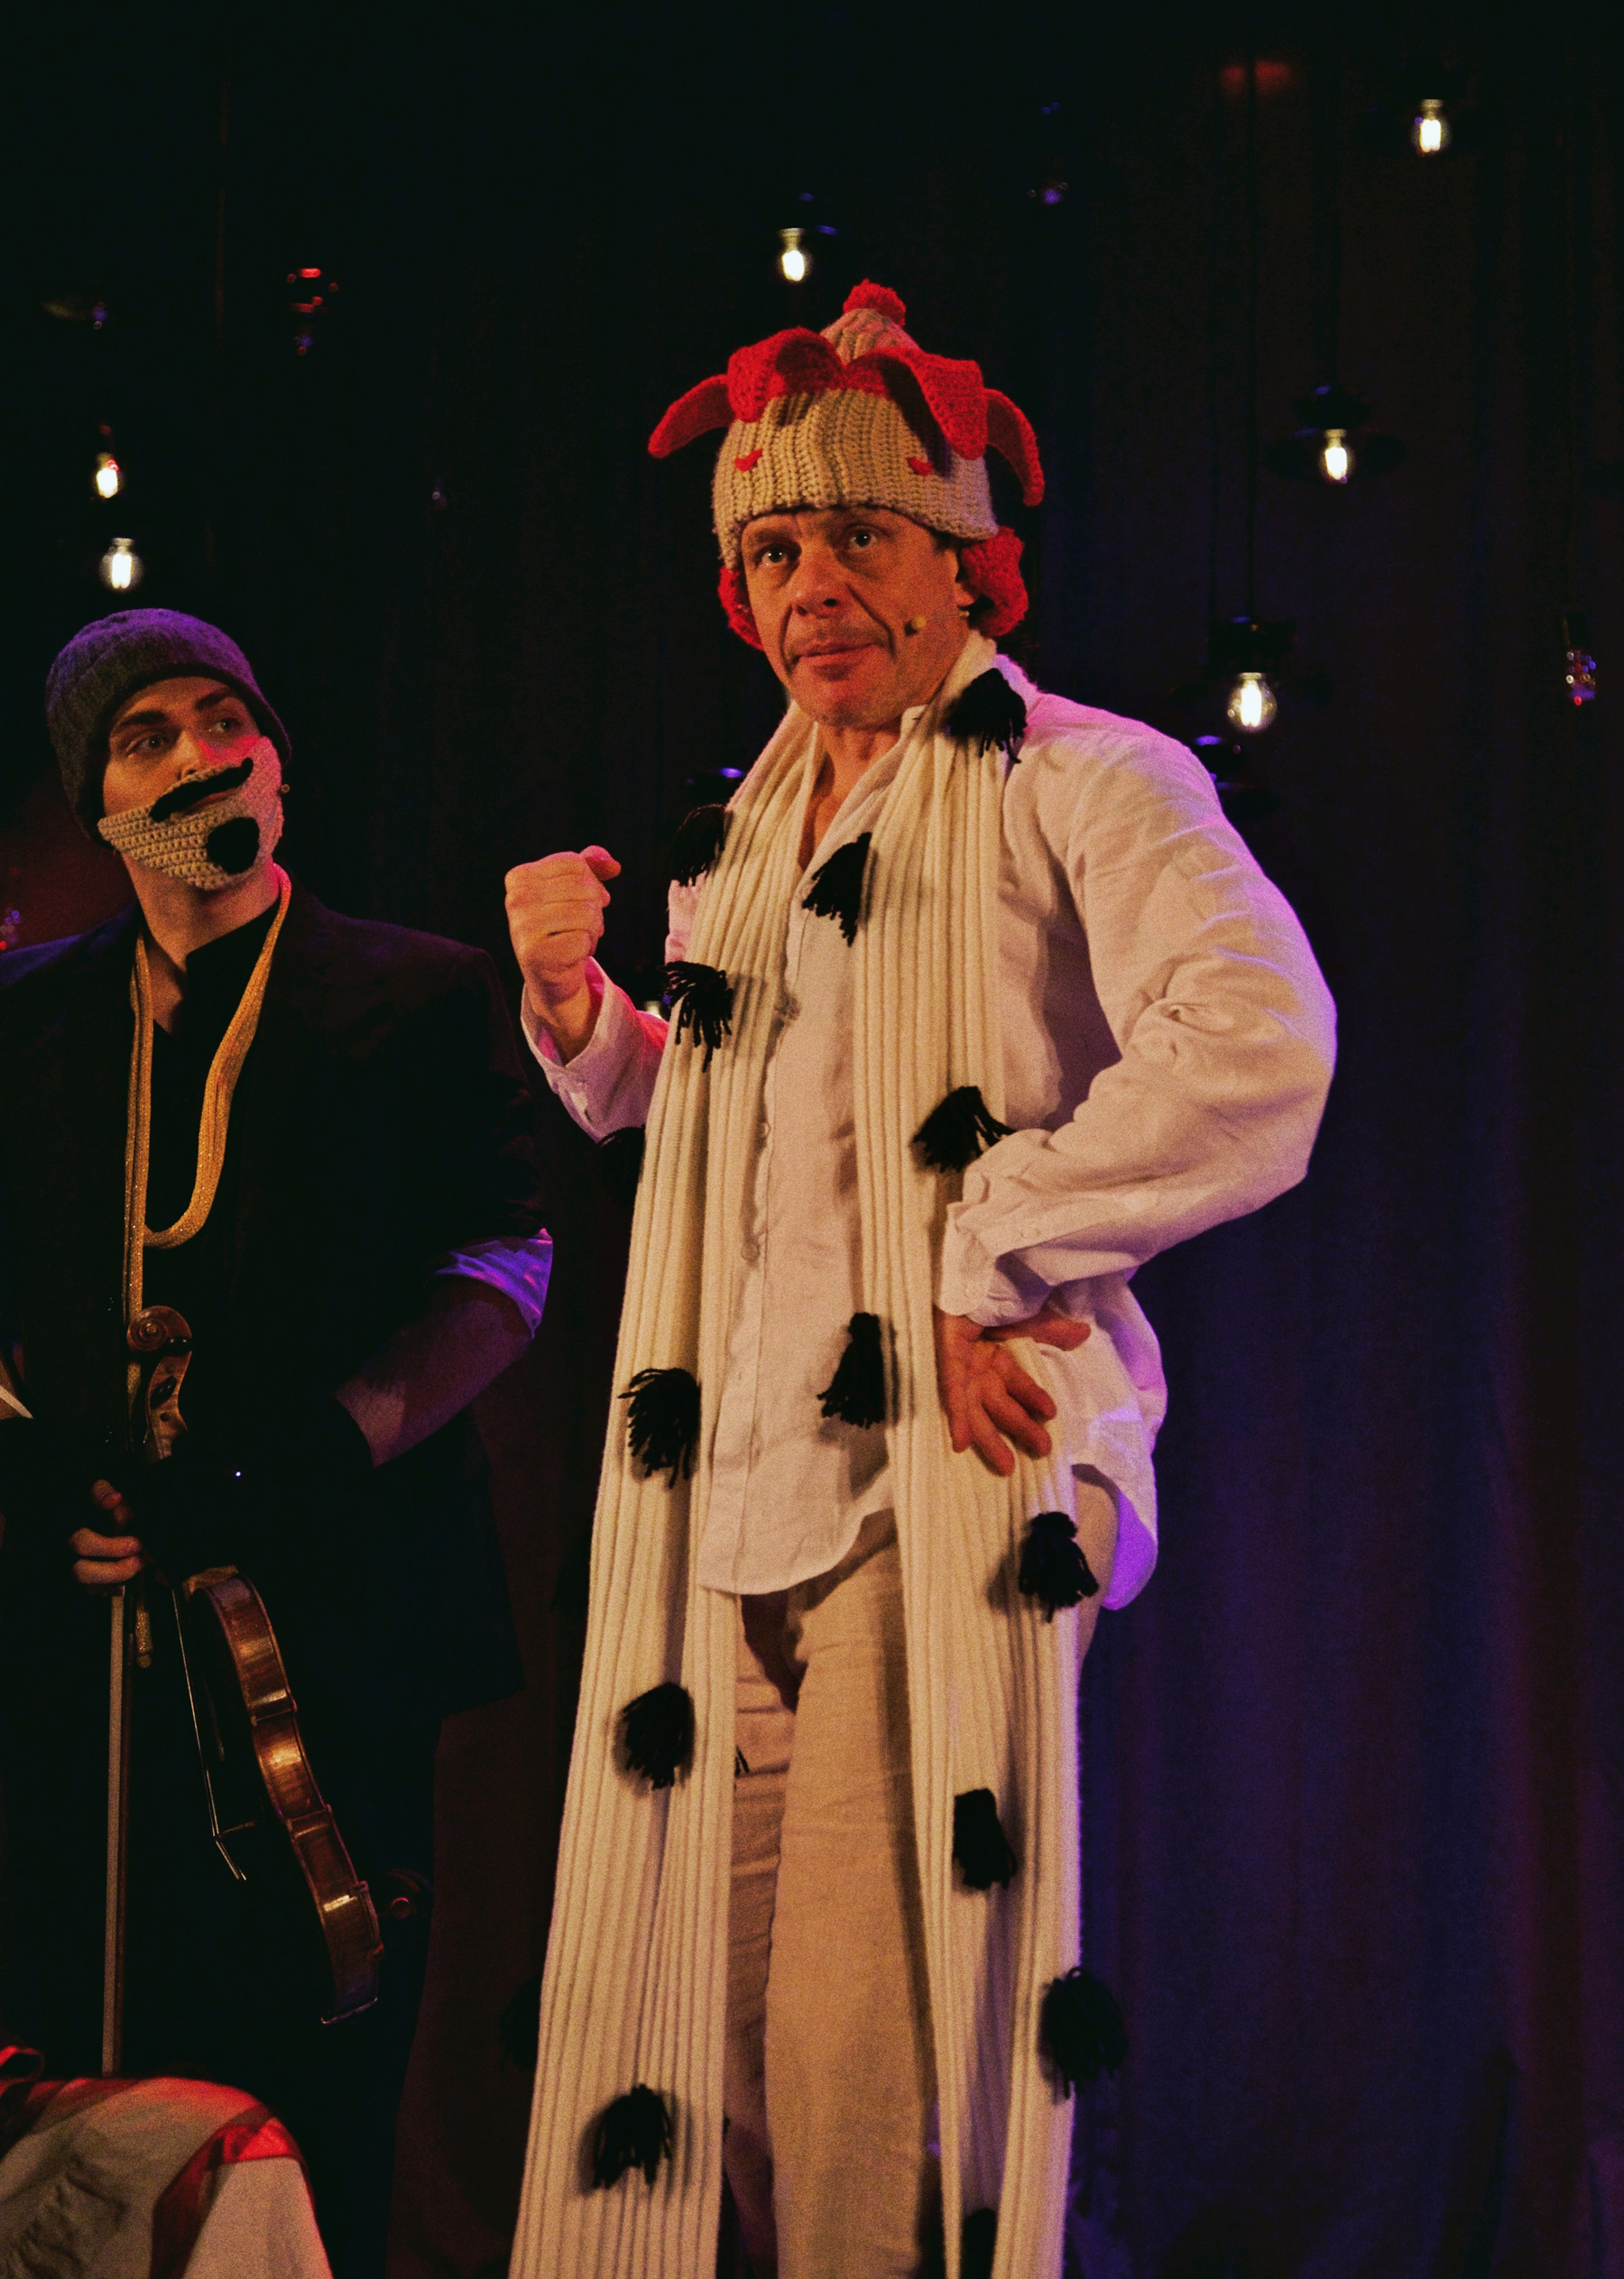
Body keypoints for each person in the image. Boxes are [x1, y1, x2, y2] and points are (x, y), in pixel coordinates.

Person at [505, 283, 1336, 2279]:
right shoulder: (750, 840)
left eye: (861, 535)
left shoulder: (1086, 777)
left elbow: (1259, 1042)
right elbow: (744, 1128)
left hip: (949, 1472)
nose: (813, 584)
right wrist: (587, 1020)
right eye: (772, 549)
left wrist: (988, 1245)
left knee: (865, 2057)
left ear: (963, 558)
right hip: (743, 1493)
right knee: (701, 2047)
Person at [0, 608, 549, 2277]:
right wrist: (42, 1479)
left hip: (339, 1611)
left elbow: (501, 1264)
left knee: (319, 2057)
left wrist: (319, 1451)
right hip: (91, 1635)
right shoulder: (30, 1015)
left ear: (278, 762)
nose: (197, 757)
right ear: (97, 804)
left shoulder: (420, 994)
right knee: (91, 2063)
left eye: (222, 719)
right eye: (146, 737)